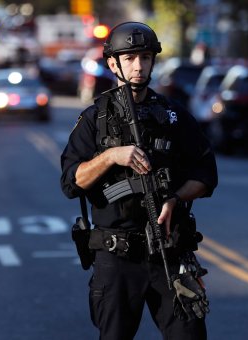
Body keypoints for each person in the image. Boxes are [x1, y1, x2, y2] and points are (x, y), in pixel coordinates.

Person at [60, 22, 217, 340]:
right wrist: (111, 156)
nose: (138, 65)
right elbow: (70, 182)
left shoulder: (173, 115)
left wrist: (175, 197)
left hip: (169, 251)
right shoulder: (94, 120)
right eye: (129, 58)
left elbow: (206, 175)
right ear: (112, 63)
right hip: (117, 256)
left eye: (145, 57)